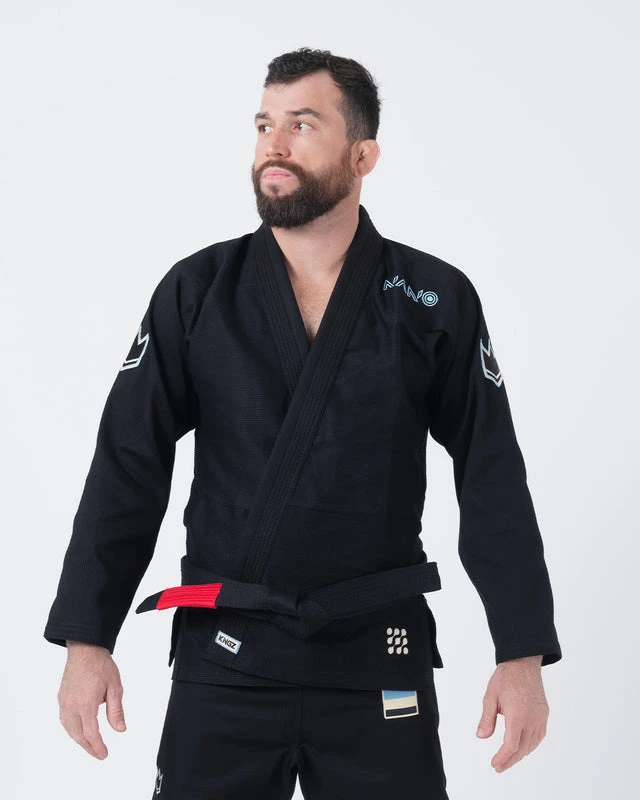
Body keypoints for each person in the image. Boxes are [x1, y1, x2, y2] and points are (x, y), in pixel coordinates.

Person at [44, 47, 562, 799]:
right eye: (264, 125)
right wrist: (87, 636)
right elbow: (129, 462)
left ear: (363, 155)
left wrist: (521, 650)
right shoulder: (198, 291)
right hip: (226, 656)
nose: (274, 146)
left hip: (378, 654)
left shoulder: (432, 298)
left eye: (302, 124)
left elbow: (491, 474)